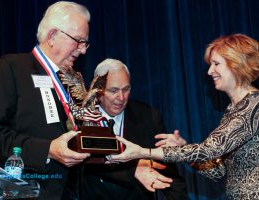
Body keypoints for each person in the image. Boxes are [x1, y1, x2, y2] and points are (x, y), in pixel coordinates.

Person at [110, 34, 259, 199]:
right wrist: (182, 147)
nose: (210, 71)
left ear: (237, 65)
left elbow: (209, 150)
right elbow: (218, 172)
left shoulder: (254, 106)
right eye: (210, 65)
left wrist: (142, 152)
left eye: (216, 64)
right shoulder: (233, 110)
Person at [0, 1, 92, 199]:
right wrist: (48, 150)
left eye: (85, 43)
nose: (83, 50)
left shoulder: (71, 83)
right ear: (52, 36)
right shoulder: (10, 68)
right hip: (23, 191)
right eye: (79, 40)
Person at [81, 59, 188, 200]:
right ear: (98, 89)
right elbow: (84, 164)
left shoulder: (149, 116)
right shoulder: (82, 117)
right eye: (113, 90)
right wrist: (132, 171)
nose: (121, 97)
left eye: (126, 89)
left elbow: (168, 174)